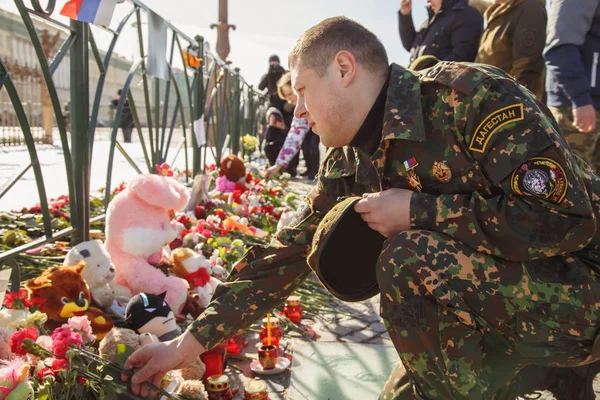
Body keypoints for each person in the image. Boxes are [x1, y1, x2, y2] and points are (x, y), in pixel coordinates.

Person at [123, 17, 600, 399]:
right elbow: (287, 253)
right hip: (491, 306)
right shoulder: (349, 156)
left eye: (303, 91)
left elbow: (565, 220)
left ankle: (555, 362)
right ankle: (538, 372)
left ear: (344, 69)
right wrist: (187, 345)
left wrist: (419, 211)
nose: (299, 113)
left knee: (408, 257)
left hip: (579, 295)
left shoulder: (469, 98)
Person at [545, 0, 600, 172]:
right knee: (570, 186)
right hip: (576, 108)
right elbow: (560, 48)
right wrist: (580, 99)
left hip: (590, 104)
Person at [475, 0, 547, 100]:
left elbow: (526, 65)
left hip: (508, 103)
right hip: (489, 97)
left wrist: (511, 99)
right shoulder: (497, 11)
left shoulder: (529, 8)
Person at [264, 72, 320, 181]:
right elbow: (294, 138)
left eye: (290, 94)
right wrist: (278, 165)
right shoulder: (300, 110)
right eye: (286, 97)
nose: (289, 100)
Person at [398, 0, 483, 65]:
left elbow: (463, 56)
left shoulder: (466, 15)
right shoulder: (432, 20)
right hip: (420, 84)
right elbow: (411, 46)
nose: (428, 1)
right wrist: (405, 15)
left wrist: (426, 73)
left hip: (439, 86)